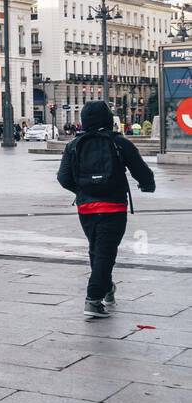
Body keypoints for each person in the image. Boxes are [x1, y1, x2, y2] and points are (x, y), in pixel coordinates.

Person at [56, 100, 155, 319]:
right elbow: (140, 169)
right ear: (108, 118)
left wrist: (82, 190)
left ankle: (107, 288)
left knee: (98, 249)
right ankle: (93, 300)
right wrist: (148, 184)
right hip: (114, 206)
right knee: (105, 252)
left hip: (87, 208)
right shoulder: (119, 142)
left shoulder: (74, 144)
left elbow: (63, 178)